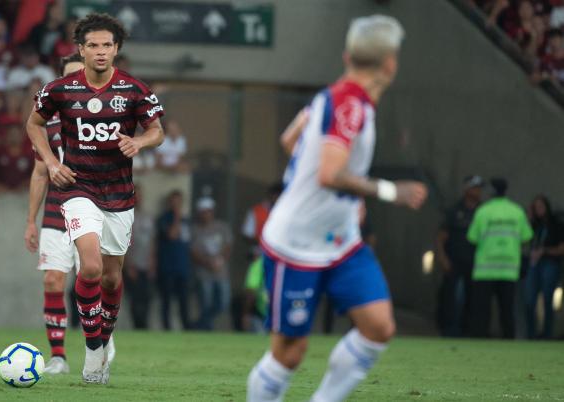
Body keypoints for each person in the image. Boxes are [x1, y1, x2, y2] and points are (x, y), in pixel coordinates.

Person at [246, 16, 428, 402]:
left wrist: (333, 190)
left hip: (342, 241)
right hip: (296, 244)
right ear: (390, 64)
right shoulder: (350, 106)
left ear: (347, 56)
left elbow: (289, 139)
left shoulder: (331, 97)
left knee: (378, 326)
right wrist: (387, 190)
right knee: (289, 353)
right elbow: (330, 173)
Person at [26, 13, 165, 384]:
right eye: (93, 45)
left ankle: (103, 341)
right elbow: (33, 123)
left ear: (116, 49)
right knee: (89, 268)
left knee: (111, 278)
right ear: (81, 50)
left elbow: (157, 131)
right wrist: (53, 162)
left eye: (107, 45)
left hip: (119, 194)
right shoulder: (61, 89)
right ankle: (90, 354)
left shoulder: (134, 90)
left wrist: (139, 141)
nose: (101, 51)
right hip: (78, 190)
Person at [24, 53, 88, 375]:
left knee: (94, 280)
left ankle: (99, 345)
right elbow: (39, 172)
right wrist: (30, 222)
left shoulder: (104, 119)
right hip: (56, 210)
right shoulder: (47, 123)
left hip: (96, 208)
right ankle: (59, 357)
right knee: (52, 280)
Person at [466, 178, 532, 339]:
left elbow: (472, 237)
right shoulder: (517, 211)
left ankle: (479, 339)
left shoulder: (483, 211)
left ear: (491, 192)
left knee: (482, 311)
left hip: (485, 269)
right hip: (508, 269)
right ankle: (508, 340)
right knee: (507, 310)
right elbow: (527, 236)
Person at [436, 175, 484, 337]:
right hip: (454, 261)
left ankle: (468, 332)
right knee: (452, 297)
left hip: (476, 263)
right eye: (475, 187)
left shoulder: (483, 211)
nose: (478, 191)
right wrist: (442, 257)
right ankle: (449, 330)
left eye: (479, 188)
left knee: (473, 298)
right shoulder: (454, 211)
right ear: (466, 189)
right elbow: (441, 237)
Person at [524, 195, 563, 339]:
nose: (538, 209)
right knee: (529, 300)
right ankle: (531, 334)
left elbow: (561, 248)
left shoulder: (556, 224)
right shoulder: (533, 225)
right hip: (534, 264)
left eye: (540, 206)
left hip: (550, 264)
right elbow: (524, 241)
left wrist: (544, 251)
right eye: (535, 207)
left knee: (548, 299)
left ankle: (547, 334)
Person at [191, 196, 232, 330]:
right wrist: (208, 263)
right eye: (203, 211)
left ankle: (200, 324)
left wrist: (220, 260)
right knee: (206, 303)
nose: (206, 214)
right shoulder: (195, 229)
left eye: (208, 211)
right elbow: (193, 251)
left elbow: (228, 246)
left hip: (221, 271)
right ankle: (206, 328)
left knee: (223, 302)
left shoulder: (222, 227)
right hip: (204, 273)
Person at [156, 190, 192, 331]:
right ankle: (167, 328)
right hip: (167, 267)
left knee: (184, 301)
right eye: (173, 201)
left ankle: (187, 328)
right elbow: (172, 235)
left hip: (182, 267)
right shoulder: (163, 219)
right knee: (167, 301)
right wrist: (176, 217)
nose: (176, 204)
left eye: (179, 201)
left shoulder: (186, 221)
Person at [124, 186, 156, 329]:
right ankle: (137, 326)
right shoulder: (125, 216)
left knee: (147, 298)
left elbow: (153, 241)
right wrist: (128, 265)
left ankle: (144, 326)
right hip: (133, 266)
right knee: (134, 300)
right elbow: (123, 243)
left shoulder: (148, 217)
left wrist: (153, 262)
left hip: (147, 265)